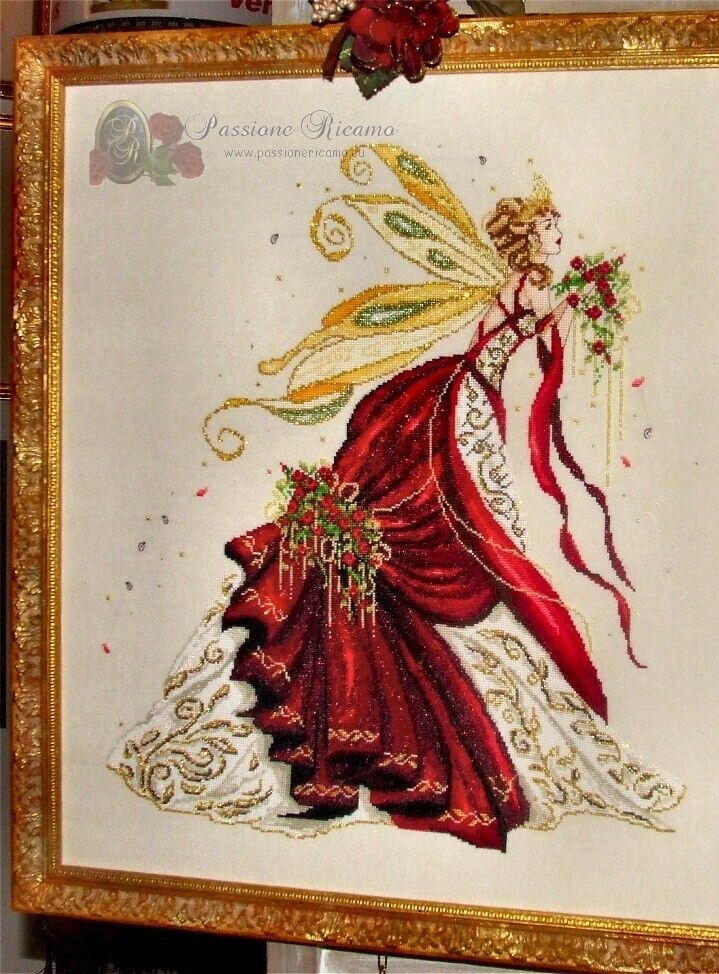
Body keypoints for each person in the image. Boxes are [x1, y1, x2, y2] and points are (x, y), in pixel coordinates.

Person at [111, 155, 683, 850]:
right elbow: (532, 329)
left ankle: (379, 554)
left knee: (418, 502)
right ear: (531, 240)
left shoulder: (516, 285)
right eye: (552, 230)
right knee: (444, 509)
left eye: (559, 229)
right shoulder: (530, 286)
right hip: (461, 403)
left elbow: (513, 341)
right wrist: (585, 295)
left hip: (456, 393)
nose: (560, 237)